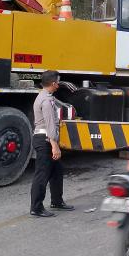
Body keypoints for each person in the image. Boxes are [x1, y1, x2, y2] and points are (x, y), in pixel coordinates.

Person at [30, 70, 74, 217]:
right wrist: (54, 146)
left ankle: (56, 201)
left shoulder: (43, 96)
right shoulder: (47, 101)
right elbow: (50, 125)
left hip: (45, 139)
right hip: (45, 140)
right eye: (58, 82)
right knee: (42, 174)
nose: (58, 85)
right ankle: (36, 207)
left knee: (57, 171)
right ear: (53, 83)